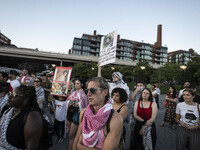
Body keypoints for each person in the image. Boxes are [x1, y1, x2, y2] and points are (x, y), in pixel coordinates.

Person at [73, 77, 123, 150]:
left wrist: (80, 147)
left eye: (93, 90)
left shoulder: (115, 119)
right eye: (87, 91)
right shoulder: (84, 113)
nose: (88, 94)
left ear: (105, 92)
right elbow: (77, 138)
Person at [66, 79, 88, 150]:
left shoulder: (83, 94)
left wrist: (72, 103)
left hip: (76, 114)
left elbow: (80, 104)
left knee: (72, 135)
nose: (76, 85)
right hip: (69, 113)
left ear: (81, 84)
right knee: (71, 135)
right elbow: (68, 101)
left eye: (78, 83)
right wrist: (73, 103)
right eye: (75, 83)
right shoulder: (73, 92)